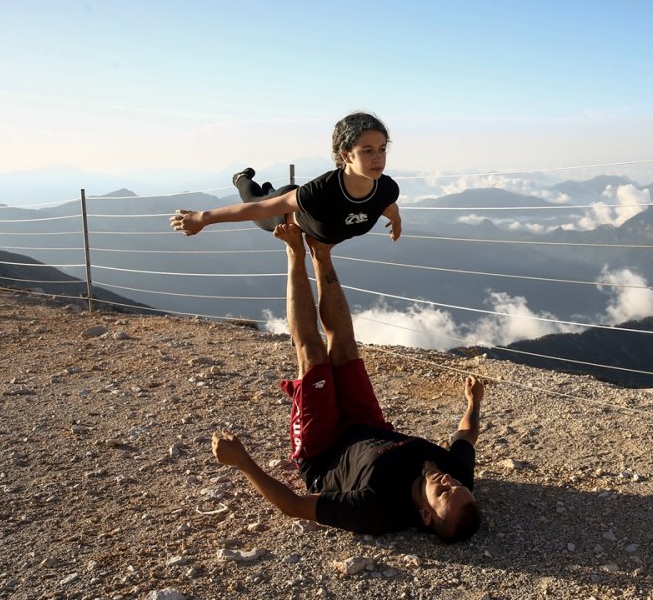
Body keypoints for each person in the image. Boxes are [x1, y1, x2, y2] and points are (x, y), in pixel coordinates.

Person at [211, 223, 483, 541]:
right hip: (368, 424)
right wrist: (474, 402)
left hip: (322, 449)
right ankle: (321, 253)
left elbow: (294, 505)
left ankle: (295, 253)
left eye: (444, 492)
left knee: (313, 356)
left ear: (425, 515)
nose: (449, 480)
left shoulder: (377, 509)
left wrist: (242, 462)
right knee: (344, 348)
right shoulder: (457, 473)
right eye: (457, 485)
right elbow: (466, 436)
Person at [169, 112, 402, 244]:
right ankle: (241, 178)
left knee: (271, 194)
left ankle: (269, 189)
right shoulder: (322, 191)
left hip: (301, 199)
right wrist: (202, 218)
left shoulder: (387, 189)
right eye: (367, 150)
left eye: (382, 149)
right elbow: (259, 210)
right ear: (346, 155)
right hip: (284, 212)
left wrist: (397, 221)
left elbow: (388, 207)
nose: (378, 157)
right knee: (254, 198)